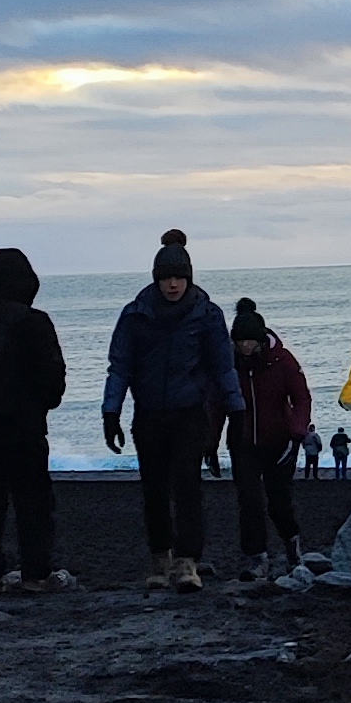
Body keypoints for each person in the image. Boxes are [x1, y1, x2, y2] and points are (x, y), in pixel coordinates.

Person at [103, 229, 235, 592]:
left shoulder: (207, 315)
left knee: (188, 487)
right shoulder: (135, 316)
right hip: (148, 415)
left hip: (190, 413)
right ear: (156, 280)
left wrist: (235, 407)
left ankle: (187, 562)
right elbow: (120, 366)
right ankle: (160, 556)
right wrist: (110, 412)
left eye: (178, 278)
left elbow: (223, 366)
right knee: (154, 490)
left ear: (188, 278)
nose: (173, 285)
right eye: (166, 278)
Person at [0, 247, 71, 590]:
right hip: (24, 430)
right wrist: (43, 402)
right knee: (32, 504)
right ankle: (36, 572)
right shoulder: (34, 322)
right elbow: (53, 379)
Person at [225, 298, 315, 580]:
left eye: (250, 341)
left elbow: (301, 397)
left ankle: (292, 549)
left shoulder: (283, 361)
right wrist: (209, 441)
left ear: (261, 339)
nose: (246, 347)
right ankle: (257, 558)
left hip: (280, 441)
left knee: (279, 501)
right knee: (249, 501)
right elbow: (216, 402)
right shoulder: (229, 364)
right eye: (241, 342)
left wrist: (298, 433)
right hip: (242, 441)